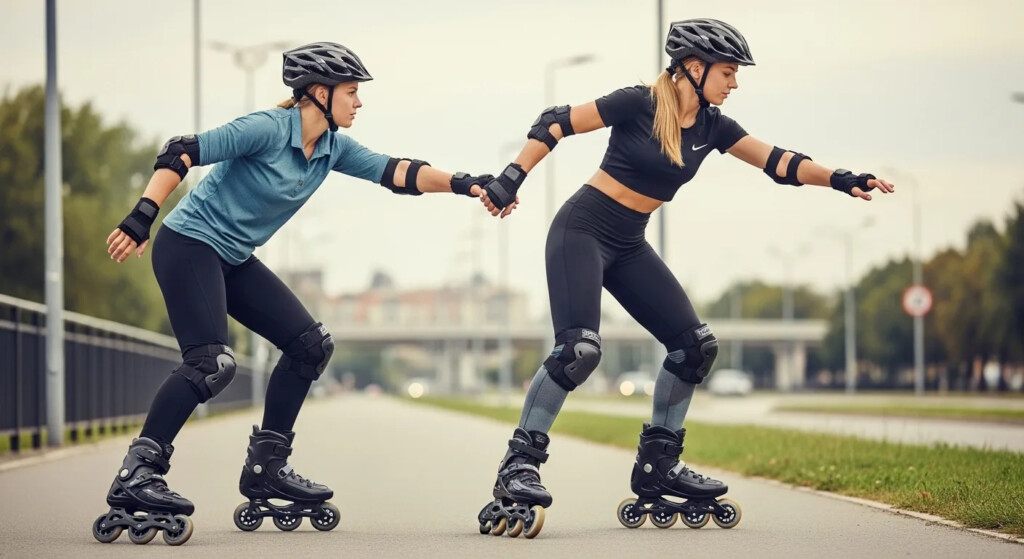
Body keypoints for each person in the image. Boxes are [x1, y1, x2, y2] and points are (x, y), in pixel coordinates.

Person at [474, 18, 894, 538]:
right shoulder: (638, 103)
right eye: (727, 72)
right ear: (693, 68)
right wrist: (512, 176)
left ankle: (658, 467)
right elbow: (555, 122)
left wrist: (841, 179)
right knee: (579, 350)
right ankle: (520, 464)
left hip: (628, 244)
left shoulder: (713, 126)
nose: (734, 83)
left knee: (694, 347)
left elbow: (778, 162)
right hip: (581, 230)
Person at [91, 41, 499, 546]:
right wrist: (143, 214)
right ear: (319, 94)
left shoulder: (332, 148)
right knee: (211, 363)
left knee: (310, 345)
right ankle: (139, 472)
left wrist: (467, 183)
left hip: (233, 257)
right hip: (188, 244)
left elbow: (399, 172)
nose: (359, 103)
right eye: (352, 92)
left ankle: (266, 468)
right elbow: (181, 150)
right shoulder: (265, 129)